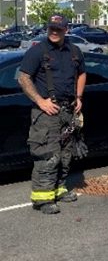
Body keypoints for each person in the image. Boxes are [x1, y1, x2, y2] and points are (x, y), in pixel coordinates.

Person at [17, 15, 85, 214]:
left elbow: (81, 73)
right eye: (51, 28)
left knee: (65, 155)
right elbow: (23, 78)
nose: (54, 32)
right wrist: (40, 101)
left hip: (68, 111)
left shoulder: (74, 51)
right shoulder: (37, 51)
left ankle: (59, 189)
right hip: (46, 113)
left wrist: (79, 97)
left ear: (66, 30)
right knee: (47, 154)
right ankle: (43, 198)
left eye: (58, 29)